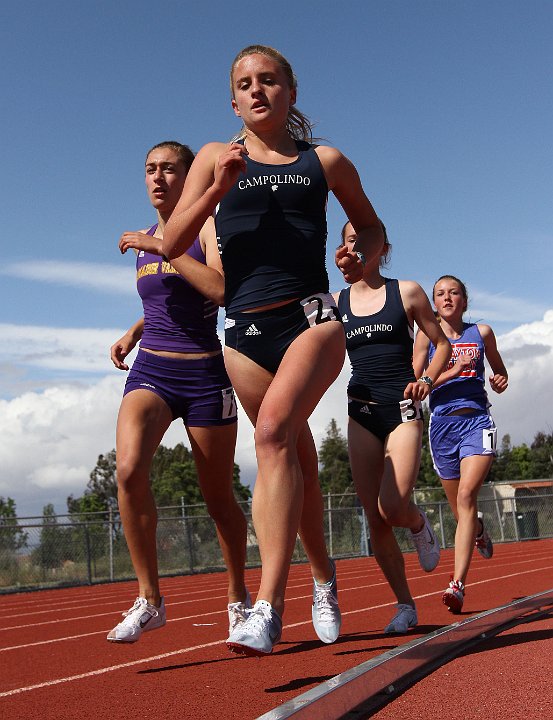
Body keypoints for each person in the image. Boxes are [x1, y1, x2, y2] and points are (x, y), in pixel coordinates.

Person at [162, 45, 385, 656]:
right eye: (244, 83)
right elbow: (172, 243)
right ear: (232, 99)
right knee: (296, 462)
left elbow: (371, 227)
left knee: (271, 439)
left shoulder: (325, 160)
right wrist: (214, 191)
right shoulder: (213, 157)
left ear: (290, 90)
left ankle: (266, 607)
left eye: (268, 80)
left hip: (310, 319)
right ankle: (323, 578)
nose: (257, 90)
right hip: (244, 332)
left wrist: (357, 258)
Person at [107, 141, 249, 643]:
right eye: (150, 169)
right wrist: (135, 330)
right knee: (127, 470)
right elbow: (166, 299)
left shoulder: (207, 228)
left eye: (169, 169)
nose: (157, 178)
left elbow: (220, 291)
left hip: (206, 376)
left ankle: (238, 597)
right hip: (152, 373)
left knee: (217, 499)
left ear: (189, 177)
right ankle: (150, 599)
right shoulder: (146, 235)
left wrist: (163, 247)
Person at [334, 222, 451, 634]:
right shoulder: (335, 302)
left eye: (365, 240)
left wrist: (428, 381)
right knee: (375, 519)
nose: (357, 246)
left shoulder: (408, 292)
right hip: (360, 412)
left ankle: (417, 522)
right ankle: (405, 605)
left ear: (383, 248)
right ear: (342, 247)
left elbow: (442, 345)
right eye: (350, 239)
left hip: (402, 408)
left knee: (393, 506)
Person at [413, 274, 508, 613]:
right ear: (434, 303)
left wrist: (499, 379)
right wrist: (453, 372)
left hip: (477, 421)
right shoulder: (425, 337)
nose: (447, 298)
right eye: (440, 294)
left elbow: (499, 372)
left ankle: (457, 585)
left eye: (454, 293)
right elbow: (417, 385)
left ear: (464, 301)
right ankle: (479, 529)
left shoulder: (481, 333)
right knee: (461, 511)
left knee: (468, 496)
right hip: (442, 427)